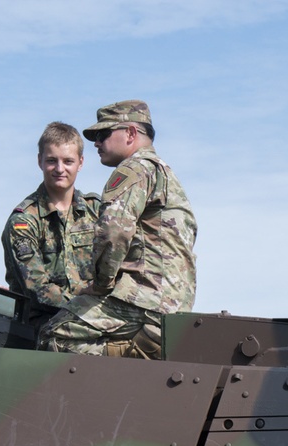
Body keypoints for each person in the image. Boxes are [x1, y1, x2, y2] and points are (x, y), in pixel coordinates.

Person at [38, 100, 196, 359]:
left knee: (53, 336)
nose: (96, 143)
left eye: (103, 135)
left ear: (131, 133)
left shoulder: (133, 169)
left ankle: (136, 353)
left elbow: (114, 231)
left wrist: (101, 285)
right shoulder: (166, 174)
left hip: (141, 299)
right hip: (174, 302)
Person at [1, 122, 101, 328]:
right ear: (39, 161)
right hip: (43, 322)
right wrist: (87, 305)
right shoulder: (24, 220)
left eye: (68, 161)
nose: (59, 169)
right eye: (51, 161)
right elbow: (37, 289)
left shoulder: (97, 211)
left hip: (95, 317)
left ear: (80, 163)